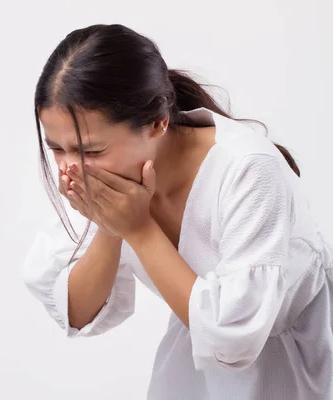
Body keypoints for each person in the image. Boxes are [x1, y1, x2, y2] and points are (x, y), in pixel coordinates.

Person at [21, 24, 333, 400]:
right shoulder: (110, 180)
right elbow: (77, 311)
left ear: (157, 123)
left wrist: (139, 230)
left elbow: (234, 339)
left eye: (91, 150)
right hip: (194, 371)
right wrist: (110, 226)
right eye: (56, 148)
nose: (71, 167)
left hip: (290, 370)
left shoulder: (248, 169)